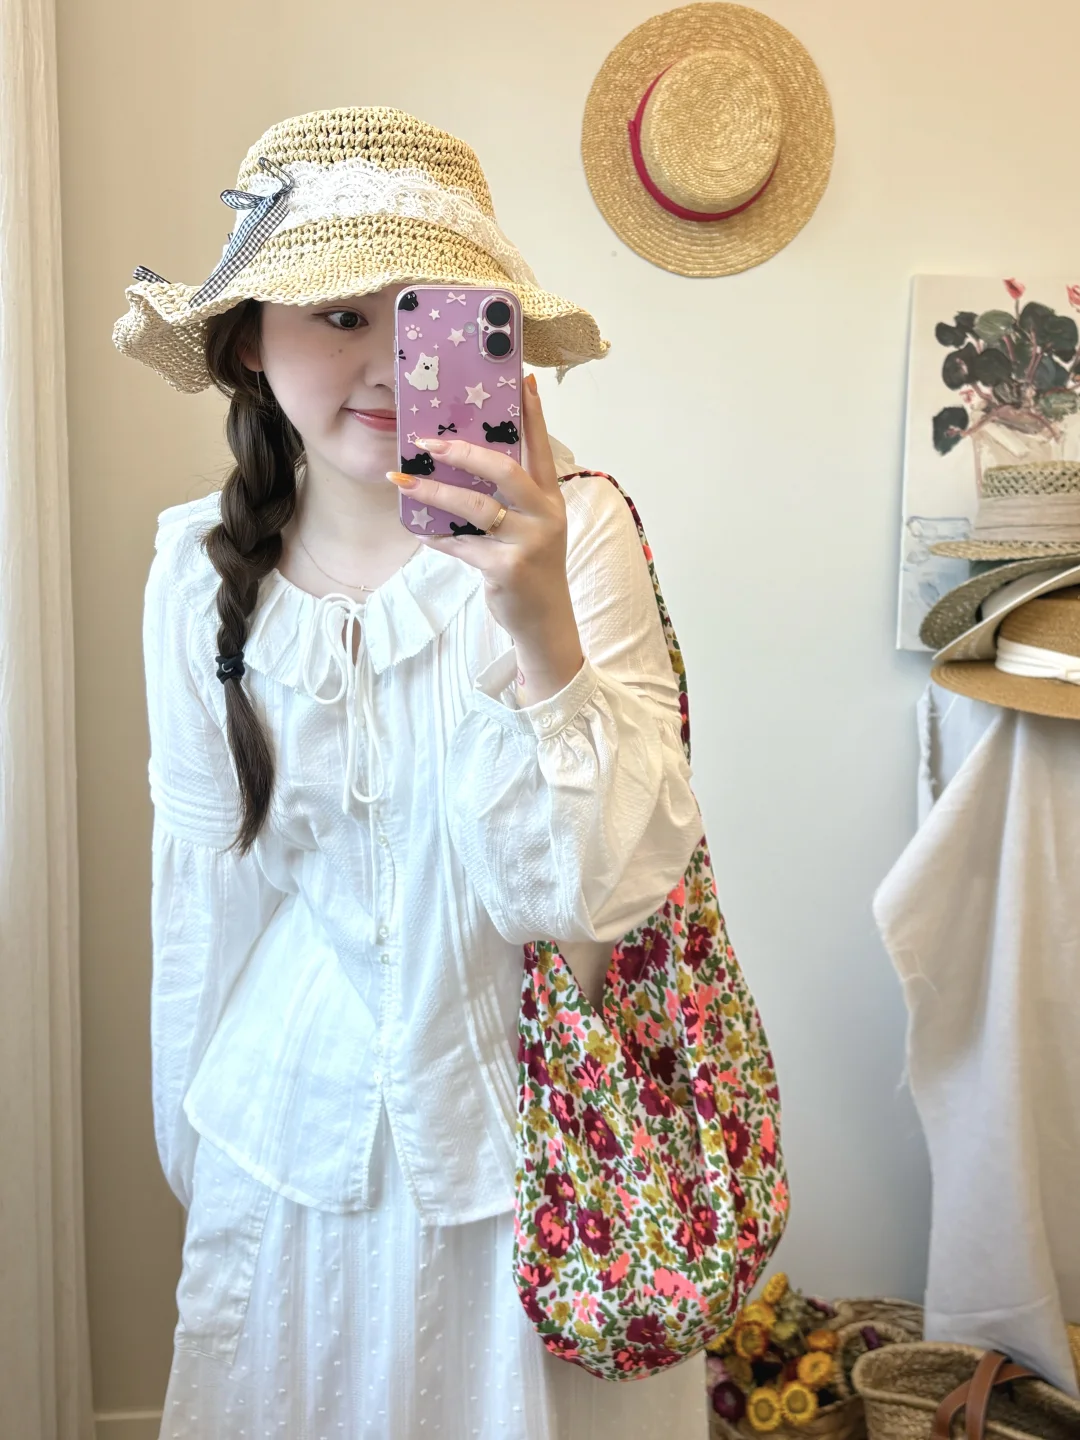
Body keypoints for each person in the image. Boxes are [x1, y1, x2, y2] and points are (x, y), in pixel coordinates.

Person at [120, 107, 706, 1438]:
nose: (389, 359)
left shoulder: (581, 533)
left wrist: (537, 617)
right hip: (283, 1153)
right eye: (338, 314)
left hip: (532, 1164)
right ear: (248, 340)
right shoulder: (193, 576)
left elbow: (599, 900)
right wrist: (202, 1156)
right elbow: (204, 902)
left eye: (429, 315)